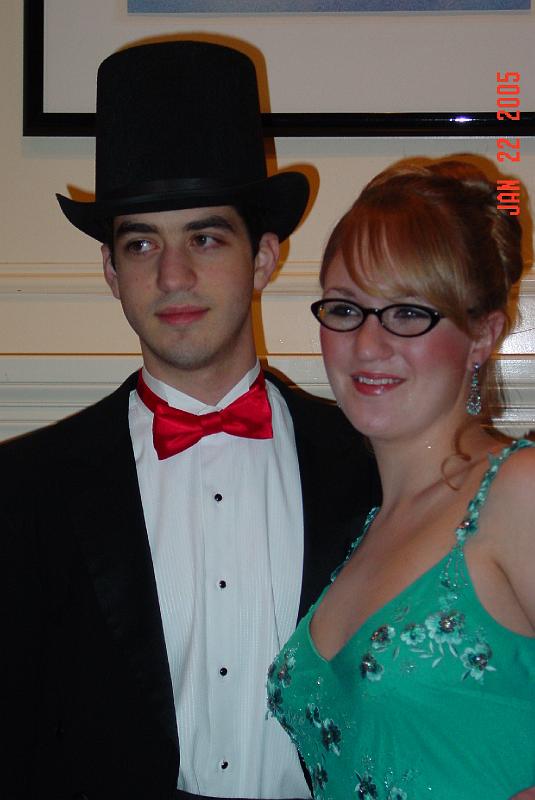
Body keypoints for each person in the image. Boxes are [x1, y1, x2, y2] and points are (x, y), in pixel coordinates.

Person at [1, 42, 379, 800]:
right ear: (111, 272)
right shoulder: (21, 488)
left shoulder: (373, 465)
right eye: (142, 243)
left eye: (205, 238)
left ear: (263, 259)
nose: (172, 276)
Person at [268, 159, 535, 800]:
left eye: (409, 313)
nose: (366, 345)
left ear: (482, 334)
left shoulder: (518, 490)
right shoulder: (364, 525)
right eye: (346, 308)